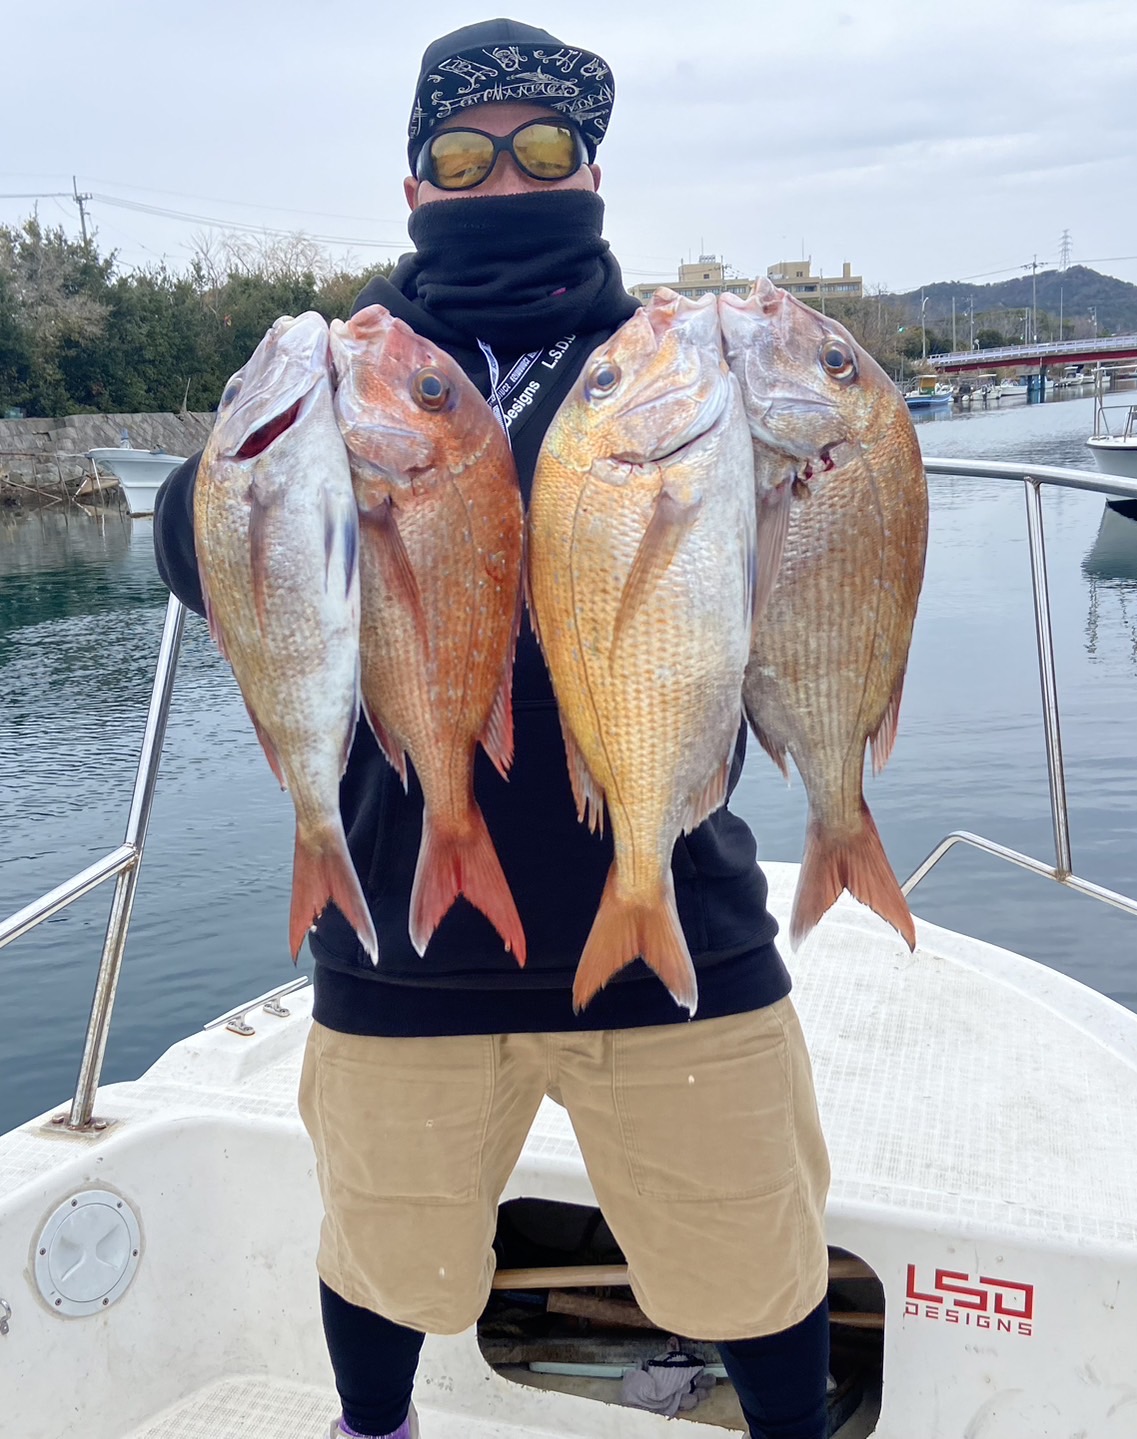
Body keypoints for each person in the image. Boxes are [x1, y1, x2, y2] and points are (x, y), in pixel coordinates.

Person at [153, 19, 831, 1439]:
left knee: (756, 1264)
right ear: (415, 188)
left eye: (542, 147)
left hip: (678, 916)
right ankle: (375, 1428)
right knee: (381, 1261)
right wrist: (256, 464)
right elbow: (202, 552)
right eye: (464, 156)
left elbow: (812, 545)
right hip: (404, 936)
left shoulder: (669, 364)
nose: (504, 178)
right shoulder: (351, 366)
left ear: (592, 171)